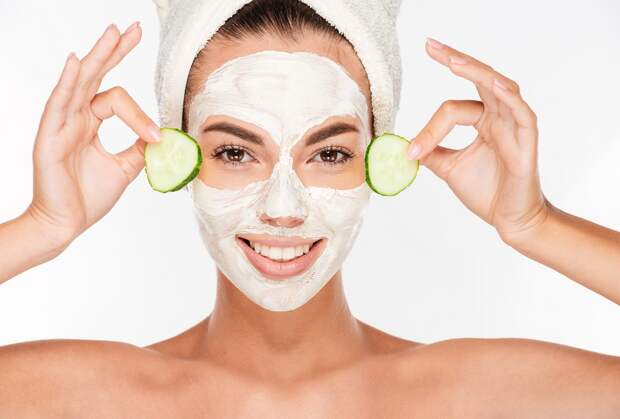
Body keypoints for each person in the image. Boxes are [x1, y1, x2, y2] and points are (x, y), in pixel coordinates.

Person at [1, 0, 619, 416]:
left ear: (381, 158)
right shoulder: (83, 397)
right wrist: (40, 228)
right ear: (178, 154)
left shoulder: (476, 396)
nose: (283, 208)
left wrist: (535, 225)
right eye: (236, 152)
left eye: (328, 154)